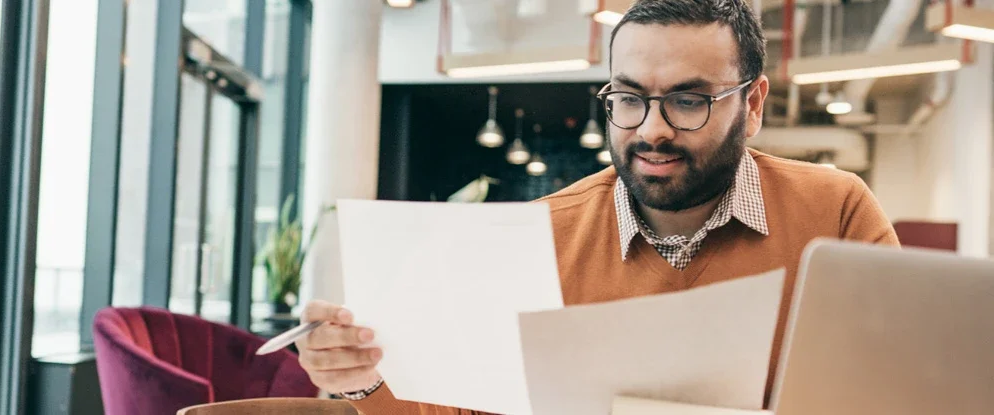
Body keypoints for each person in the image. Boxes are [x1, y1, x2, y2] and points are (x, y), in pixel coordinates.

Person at [295, 0, 900, 413]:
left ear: (755, 103)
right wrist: (365, 376)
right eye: (630, 98)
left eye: (688, 101)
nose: (652, 130)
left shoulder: (836, 214)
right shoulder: (543, 235)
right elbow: (464, 406)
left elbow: (898, 390)